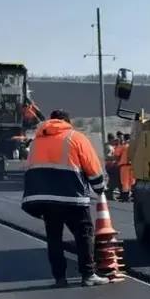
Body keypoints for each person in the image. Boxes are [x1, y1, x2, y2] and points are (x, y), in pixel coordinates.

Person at [21, 110, 109, 287]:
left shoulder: (37, 141)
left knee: (54, 238)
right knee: (84, 234)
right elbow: (92, 165)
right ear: (67, 122)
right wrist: (100, 189)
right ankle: (88, 274)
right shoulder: (75, 137)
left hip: (44, 199)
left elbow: (29, 168)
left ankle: (60, 278)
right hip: (72, 197)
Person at [118, 132, 134, 201]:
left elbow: (117, 153)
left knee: (125, 182)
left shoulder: (124, 146)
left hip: (124, 166)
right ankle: (132, 196)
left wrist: (120, 144)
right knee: (132, 181)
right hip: (133, 166)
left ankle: (125, 197)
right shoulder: (134, 146)